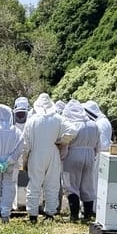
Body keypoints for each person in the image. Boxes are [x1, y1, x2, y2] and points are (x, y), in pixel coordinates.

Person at [22, 93, 75, 223]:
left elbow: (25, 144)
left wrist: (25, 159)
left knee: (34, 184)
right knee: (52, 184)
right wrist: (62, 141)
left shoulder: (32, 120)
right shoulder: (57, 118)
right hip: (53, 153)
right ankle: (50, 214)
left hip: (36, 154)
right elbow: (73, 130)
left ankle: (33, 215)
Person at [61, 100, 101, 222]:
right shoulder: (93, 125)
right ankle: (87, 215)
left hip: (72, 155)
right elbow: (98, 146)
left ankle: (74, 215)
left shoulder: (71, 125)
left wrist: (62, 156)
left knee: (70, 185)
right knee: (87, 185)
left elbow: (65, 144)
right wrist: (92, 154)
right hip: (89, 156)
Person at [0, 105, 24, 223]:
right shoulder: (17, 132)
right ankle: (5, 214)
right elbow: (19, 149)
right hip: (11, 165)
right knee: (9, 188)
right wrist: (8, 161)